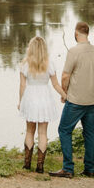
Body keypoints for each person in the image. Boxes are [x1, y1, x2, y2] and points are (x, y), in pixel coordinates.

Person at [49, 20, 94, 178]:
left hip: (75, 100)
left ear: (76, 33)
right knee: (89, 134)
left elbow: (65, 75)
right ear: (88, 33)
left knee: (64, 130)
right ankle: (90, 169)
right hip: (91, 99)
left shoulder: (73, 51)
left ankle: (68, 168)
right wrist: (93, 90)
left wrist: (64, 93)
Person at [17, 35, 66, 173]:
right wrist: (65, 96)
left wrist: (20, 102)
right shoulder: (49, 64)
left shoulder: (24, 64)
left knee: (29, 131)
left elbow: (22, 86)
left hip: (30, 98)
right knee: (43, 132)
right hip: (45, 98)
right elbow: (55, 84)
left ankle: (27, 164)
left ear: (30, 48)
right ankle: (40, 166)